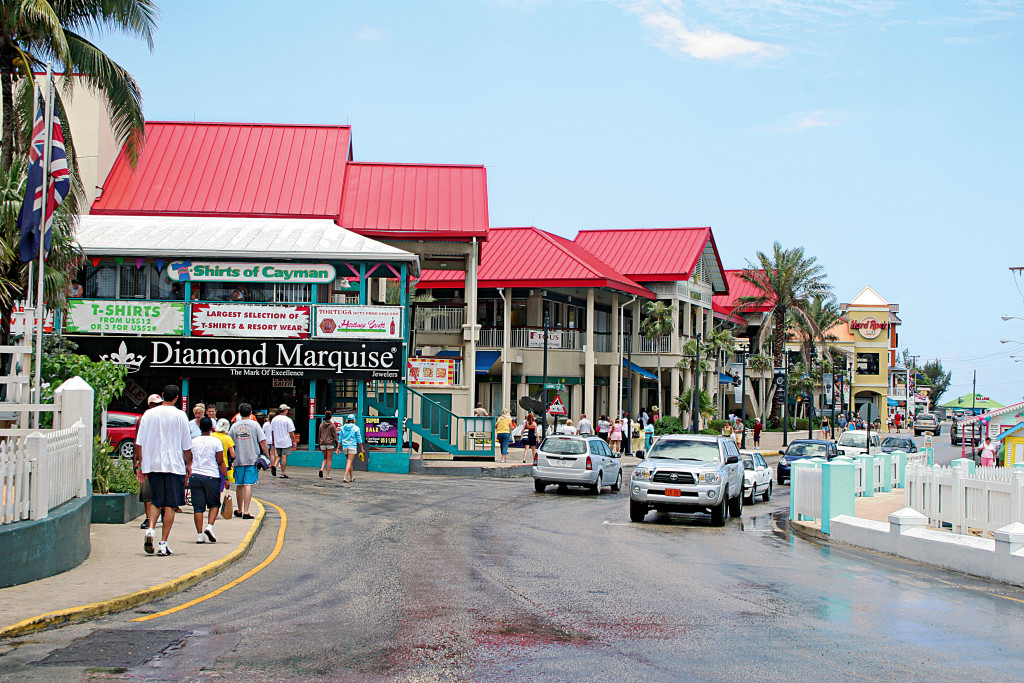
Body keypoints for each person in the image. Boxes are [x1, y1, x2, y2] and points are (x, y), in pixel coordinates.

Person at [133, 384, 193, 557]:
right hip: (174, 465)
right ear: (176, 398)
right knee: (171, 505)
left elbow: (139, 441)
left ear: (162, 395)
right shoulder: (180, 415)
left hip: (152, 464)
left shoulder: (148, 414)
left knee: (156, 500)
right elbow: (186, 445)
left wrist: (139, 465)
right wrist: (188, 464)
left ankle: (151, 529)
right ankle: (163, 543)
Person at [190, 417, 228, 544]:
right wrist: (226, 478)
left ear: (200, 427)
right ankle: (209, 526)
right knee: (214, 504)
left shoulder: (193, 441)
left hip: (195, 476)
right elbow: (220, 461)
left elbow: (189, 459)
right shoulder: (216, 442)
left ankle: (199, 535)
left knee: (198, 507)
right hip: (211, 476)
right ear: (212, 428)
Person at [228, 403, 267, 519]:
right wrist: (266, 455)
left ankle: (239, 510)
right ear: (251, 413)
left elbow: (230, 442)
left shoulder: (234, 426)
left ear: (239, 413)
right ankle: (246, 511)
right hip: (252, 459)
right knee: (248, 485)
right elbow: (262, 441)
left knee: (239, 485)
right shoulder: (255, 425)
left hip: (238, 460)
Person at [135, 393, 164, 529]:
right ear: (149, 405)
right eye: (154, 405)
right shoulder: (143, 420)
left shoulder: (166, 419)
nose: (156, 407)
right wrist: (136, 461)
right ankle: (149, 518)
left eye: (159, 404)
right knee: (147, 492)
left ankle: (162, 513)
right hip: (147, 460)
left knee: (163, 489)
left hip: (163, 459)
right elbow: (137, 441)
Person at [270, 404, 297, 478]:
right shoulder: (288, 420)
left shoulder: (274, 419)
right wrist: (294, 441)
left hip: (277, 441)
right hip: (285, 441)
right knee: (284, 457)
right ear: (285, 410)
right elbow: (291, 432)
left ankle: (275, 465)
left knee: (279, 455)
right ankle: (283, 473)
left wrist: (273, 440)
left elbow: (272, 431)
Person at [339, 414, 363, 483]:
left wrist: (338, 447)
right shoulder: (356, 428)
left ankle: (352, 477)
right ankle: (345, 477)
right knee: (349, 461)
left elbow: (340, 438)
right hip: (352, 446)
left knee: (350, 462)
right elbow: (359, 439)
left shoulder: (342, 428)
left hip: (345, 446)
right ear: (353, 420)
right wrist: (361, 448)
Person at [318, 410, 339, 479]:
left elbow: (319, 435)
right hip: (330, 443)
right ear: (331, 417)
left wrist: (319, 443)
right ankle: (327, 475)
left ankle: (321, 468)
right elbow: (334, 436)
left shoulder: (321, 425)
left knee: (325, 458)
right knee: (329, 459)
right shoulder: (332, 426)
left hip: (322, 443)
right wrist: (337, 443)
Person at [263, 408, 277, 475]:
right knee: (273, 453)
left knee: (266, 453)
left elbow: (263, 431)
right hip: (273, 440)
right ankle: (273, 464)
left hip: (266, 440)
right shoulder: (275, 424)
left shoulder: (266, 424)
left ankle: (266, 463)